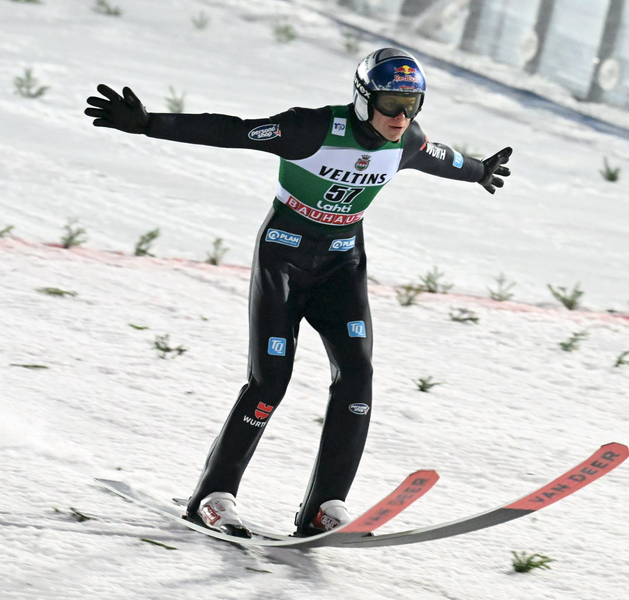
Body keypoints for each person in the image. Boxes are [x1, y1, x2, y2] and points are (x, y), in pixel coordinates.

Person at [85, 47, 511, 538]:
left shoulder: (407, 140)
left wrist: (481, 170)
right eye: (391, 103)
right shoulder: (309, 129)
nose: (401, 116)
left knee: (357, 378)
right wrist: (148, 124)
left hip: (342, 266)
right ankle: (212, 496)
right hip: (283, 260)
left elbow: (443, 158)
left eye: (412, 104)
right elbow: (231, 131)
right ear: (362, 98)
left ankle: (324, 506)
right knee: (270, 382)